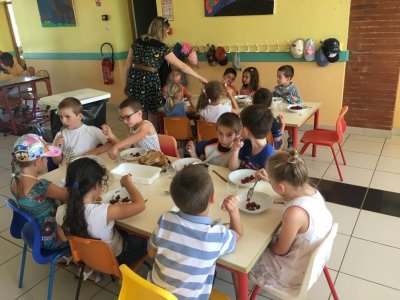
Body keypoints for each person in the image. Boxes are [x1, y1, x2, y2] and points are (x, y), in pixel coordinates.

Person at [147, 164, 243, 299]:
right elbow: (238, 234)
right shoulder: (216, 235)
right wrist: (234, 211)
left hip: (153, 295)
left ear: (174, 199)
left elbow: (151, 253)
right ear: (212, 198)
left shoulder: (165, 219)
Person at [249, 150, 333, 290]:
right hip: (314, 260)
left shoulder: (294, 213)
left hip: (294, 273)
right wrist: (271, 180)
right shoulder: (310, 189)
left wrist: (264, 244)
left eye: (271, 181)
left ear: (281, 187)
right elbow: (288, 194)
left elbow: (280, 250)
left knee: (249, 251)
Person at [60, 157, 147, 281]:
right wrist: (128, 184)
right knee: (142, 239)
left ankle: (90, 269)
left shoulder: (62, 211)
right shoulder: (103, 212)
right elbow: (140, 205)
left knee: (121, 229)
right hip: (116, 259)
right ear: (96, 185)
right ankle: (136, 274)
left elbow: (64, 236)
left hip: (89, 257)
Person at [124, 16, 207, 131]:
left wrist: (126, 83)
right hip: (150, 82)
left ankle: (137, 141)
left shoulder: (137, 42)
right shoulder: (161, 47)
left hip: (134, 80)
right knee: (152, 113)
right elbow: (181, 66)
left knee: (136, 113)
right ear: (161, 31)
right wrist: (199, 77)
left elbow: (127, 65)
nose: (168, 35)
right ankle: (152, 138)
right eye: (167, 32)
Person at [10, 134, 69, 250]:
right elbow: (72, 196)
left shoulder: (15, 181)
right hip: (53, 238)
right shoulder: (41, 186)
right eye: (45, 157)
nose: (47, 160)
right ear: (37, 161)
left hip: (35, 234)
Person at [52, 97, 114, 165]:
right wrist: (56, 147)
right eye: (61, 117)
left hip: (86, 168)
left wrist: (92, 152)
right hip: (68, 171)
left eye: (67, 116)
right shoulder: (60, 135)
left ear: (80, 116)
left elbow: (111, 144)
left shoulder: (92, 131)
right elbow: (56, 161)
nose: (63, 121)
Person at [229, 104, 275, 170]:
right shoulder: (245, 144)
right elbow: (232, 168)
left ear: (245, 130)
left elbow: (270, 180)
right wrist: (236, 150)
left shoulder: (269, 156)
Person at [273, 65, 302, 148]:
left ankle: (291, 140)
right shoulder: (276, 88)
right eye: (277, 76)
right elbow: (272, 99)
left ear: (288, 79)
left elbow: (300, 101)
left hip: (290, 112)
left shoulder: (293, 88)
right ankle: (276, 140)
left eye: (279, 77)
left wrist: (295, 99)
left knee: (290, 128)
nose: (277, 79)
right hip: (279, 112)